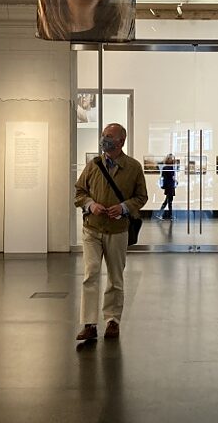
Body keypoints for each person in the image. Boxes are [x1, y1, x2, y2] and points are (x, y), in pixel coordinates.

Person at [74, 123, 147, 341]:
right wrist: (90, 205)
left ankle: (112, 320)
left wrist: (124, 207)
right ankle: (89, 324)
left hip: (117, 231)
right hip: (92, 228)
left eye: (108, 136)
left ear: (121, 141)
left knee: (115, 277)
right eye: (103, 135)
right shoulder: (93, 165)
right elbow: (79, 192)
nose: (104, 139)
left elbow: (141, 197)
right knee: (91, 274)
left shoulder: (133, 167)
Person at [159, 153, 177, 219]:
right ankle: (169, 215)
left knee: (167, 201)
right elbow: (172, 177)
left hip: (167, 186)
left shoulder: (164, 168)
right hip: (170, 186)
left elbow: (163, 177)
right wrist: (176, 181)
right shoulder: (170, 168)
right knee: (169, 201)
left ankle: (160, 213)